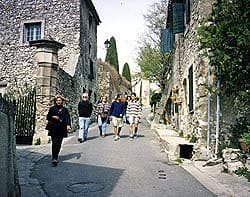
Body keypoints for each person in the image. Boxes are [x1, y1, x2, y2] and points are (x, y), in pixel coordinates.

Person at [46, 95, 71, 166]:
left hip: (62, 128)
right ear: (55, 101)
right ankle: (54, 158)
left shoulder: (65, 109)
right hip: (53, 128)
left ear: (62, 101)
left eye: (60, 100)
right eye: (57, 100)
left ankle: (56, 156)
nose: (58, 102)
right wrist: (53, 117)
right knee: (54, 143)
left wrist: (68, 125)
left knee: (59, 143)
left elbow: (67, 118)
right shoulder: (52, 109)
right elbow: (48, 117)